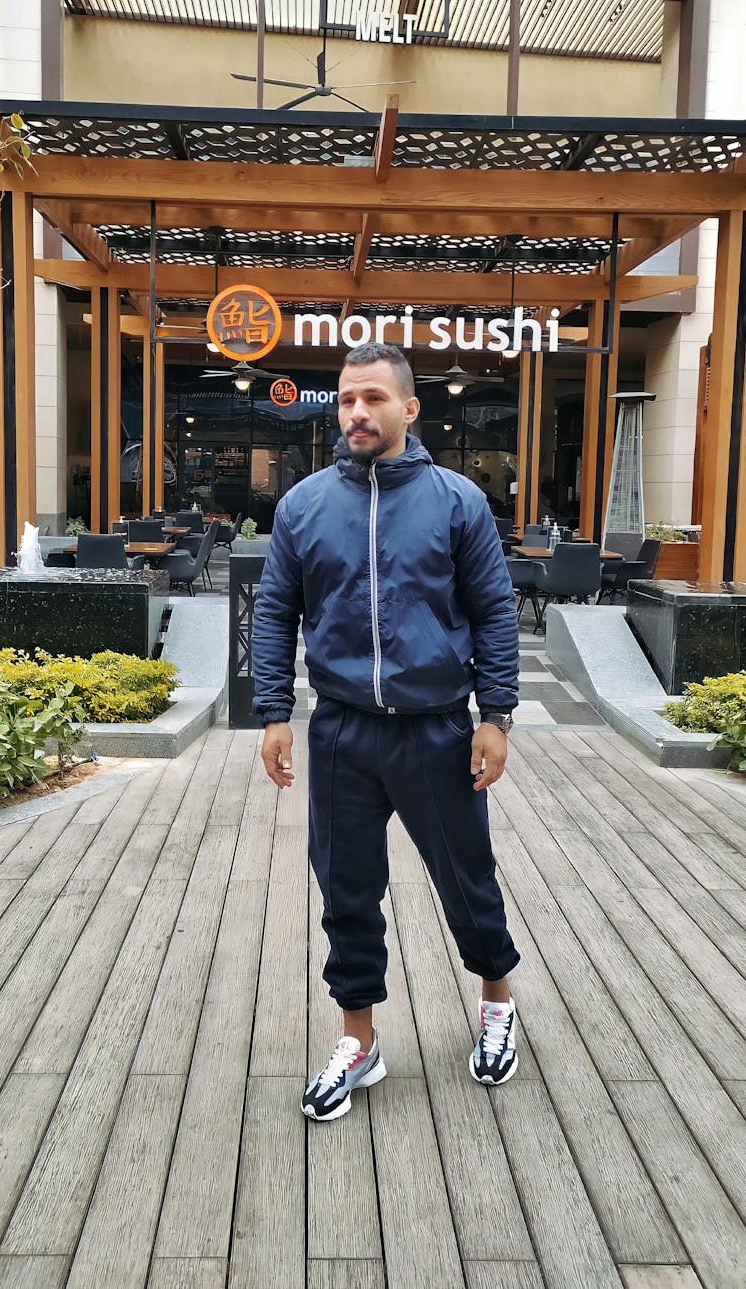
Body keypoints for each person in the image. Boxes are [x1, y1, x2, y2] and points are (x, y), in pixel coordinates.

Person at [252, 342, 521, 1123]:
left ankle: (496, 1002)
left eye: (373, 398)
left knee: (468, 877)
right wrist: (276, 711)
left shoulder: (457, 501)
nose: (357, 413)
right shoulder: (303, 505)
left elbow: (495, 611)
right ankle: (359, 1041)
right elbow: (275, 612)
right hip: (339, 733)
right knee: (346, 891)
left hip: (437, 730)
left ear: (410, 408)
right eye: (345, 400)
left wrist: (495, 717)